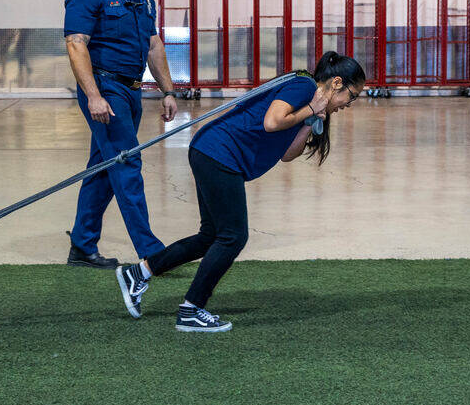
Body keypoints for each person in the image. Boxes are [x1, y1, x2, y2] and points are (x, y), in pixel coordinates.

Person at [115, 52, 367, 332]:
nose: (349, 104)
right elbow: (272, 122)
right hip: (219, 155)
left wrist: (310, 119)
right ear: (336, 83)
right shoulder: (304, 86)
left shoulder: (309, 101)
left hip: (212, 153)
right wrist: (310, 108)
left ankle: (139, 272)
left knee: (210, 236)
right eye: (352, 96)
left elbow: (287, 154)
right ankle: (191, 309)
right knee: (233, 236)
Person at [63, 0, 179, 269]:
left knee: (103, 168)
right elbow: (76, 44)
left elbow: (153, 45)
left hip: (131, 90)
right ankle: (152, 252)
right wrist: (94, 96)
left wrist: (168, 90)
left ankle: (82, 246)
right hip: (105, 89)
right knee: (128, 164)